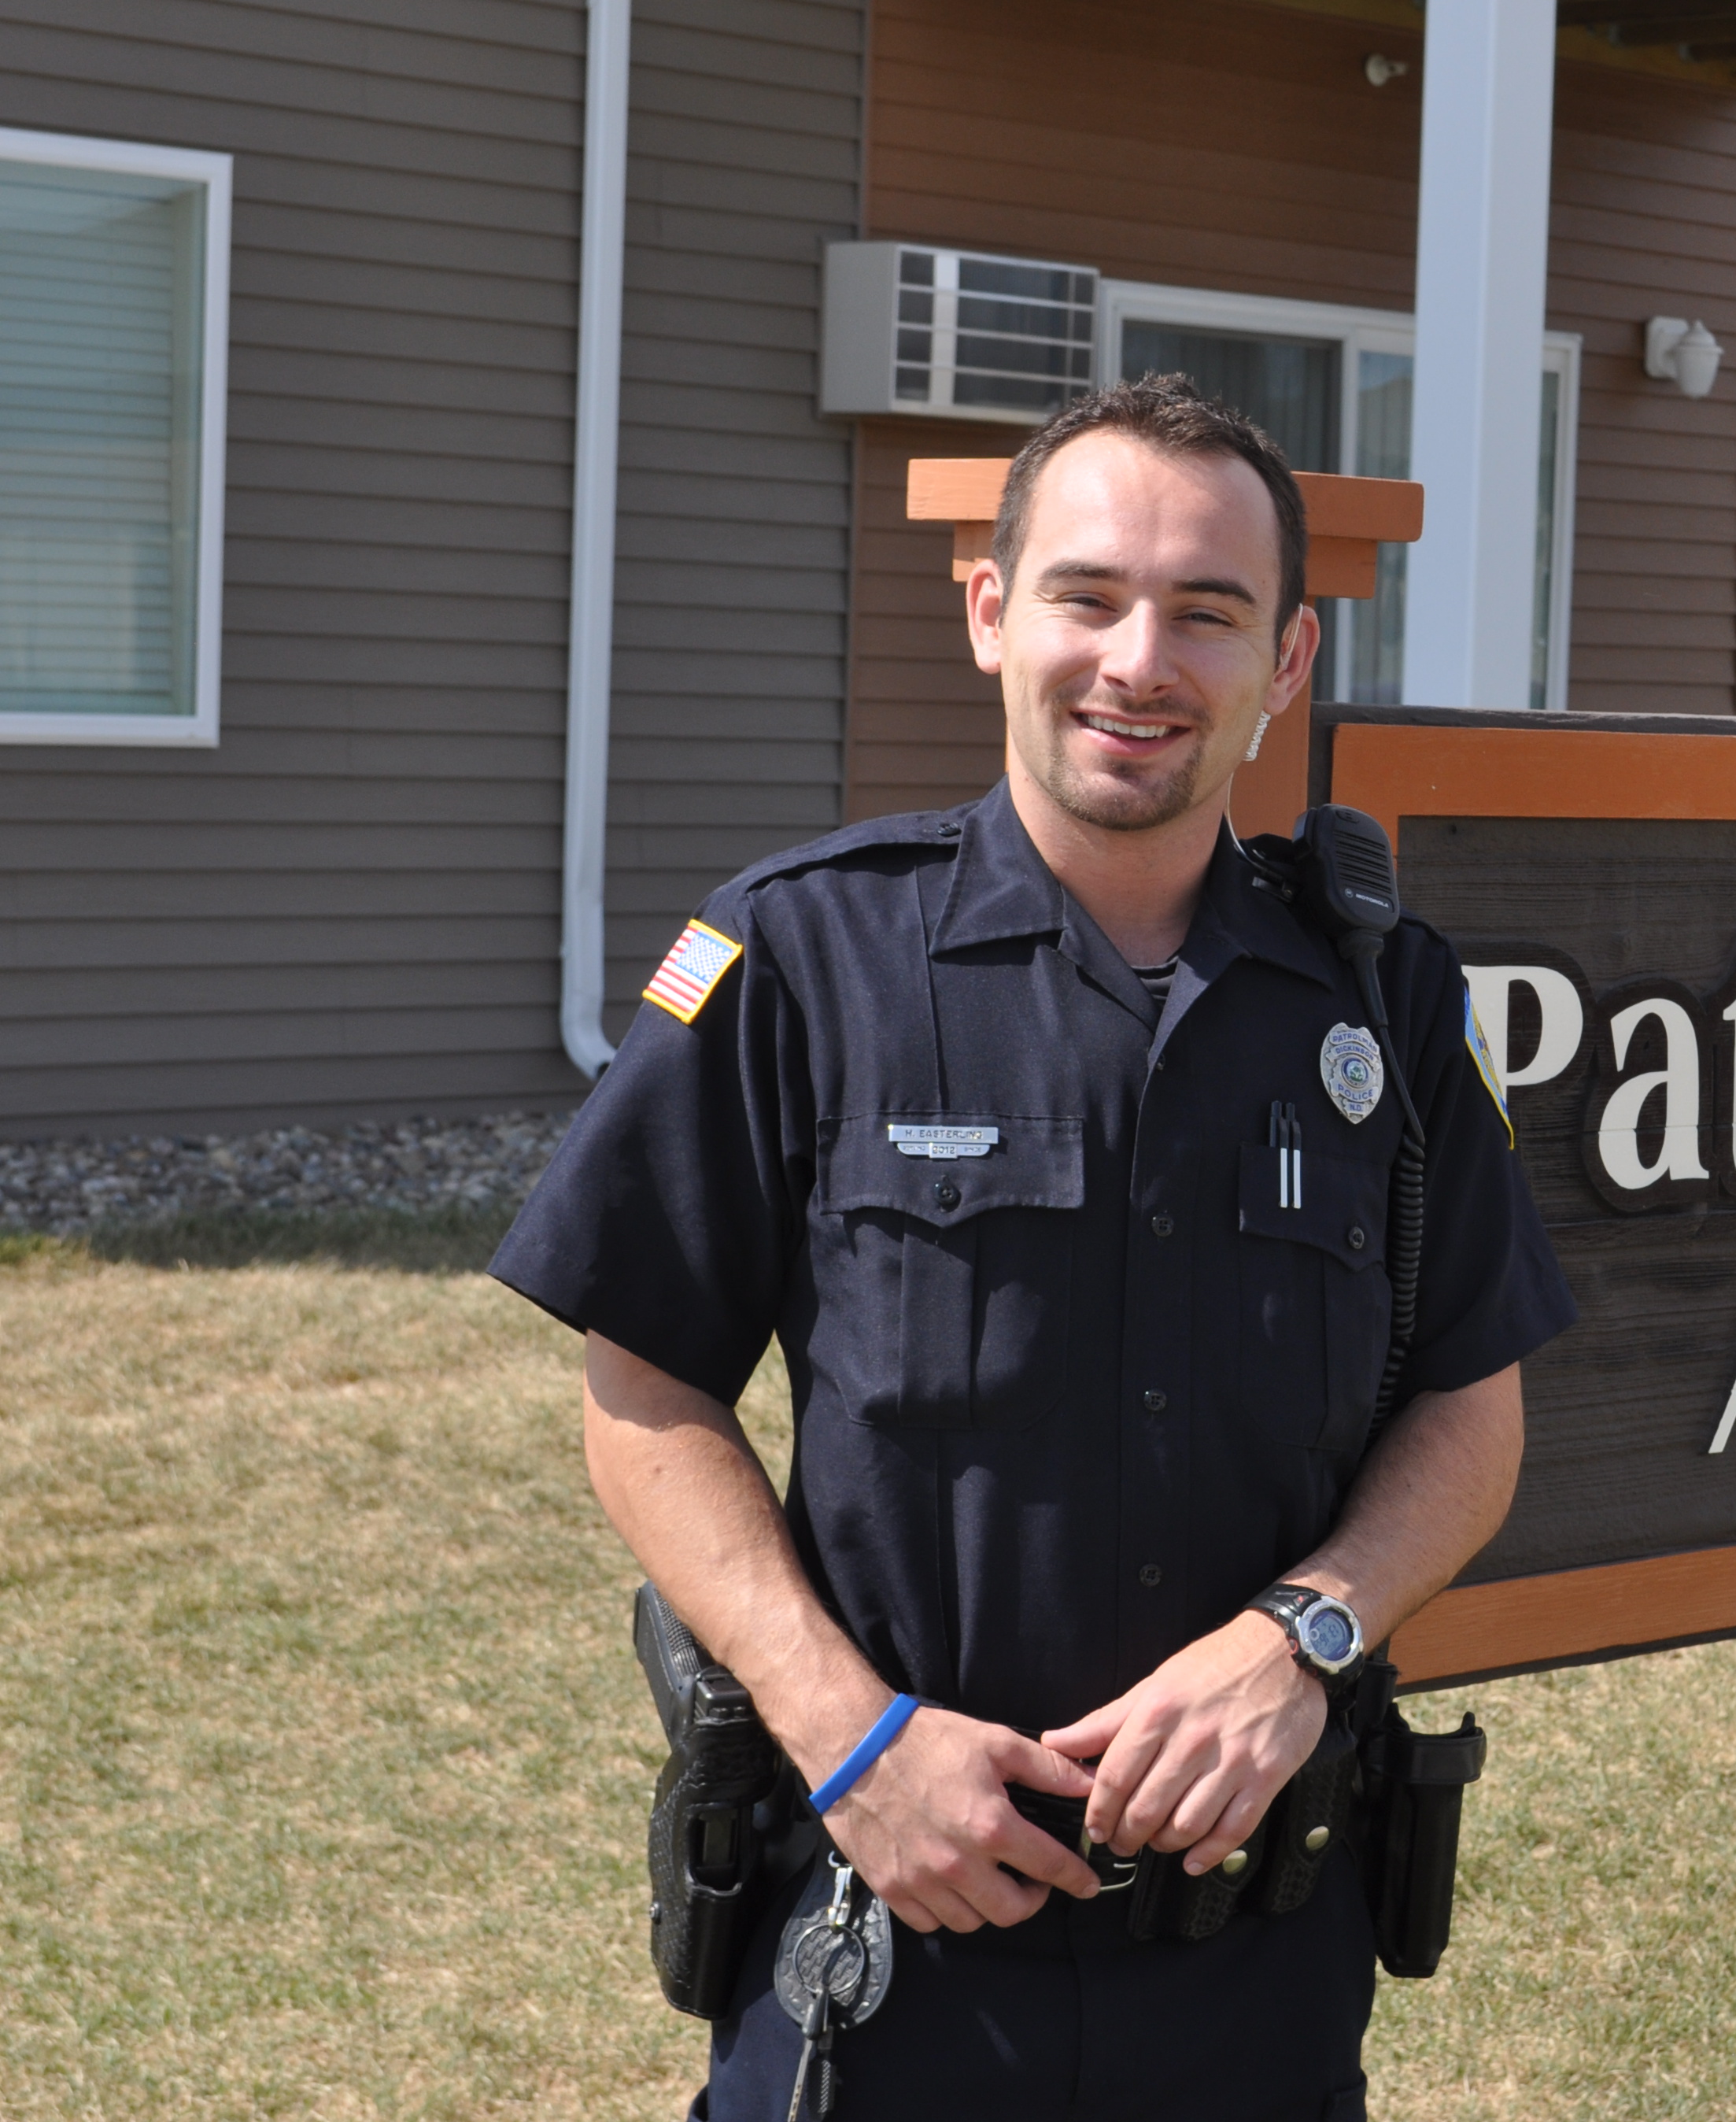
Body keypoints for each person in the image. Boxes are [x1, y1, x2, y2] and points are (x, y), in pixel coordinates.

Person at [492, 375, 1573, 2120]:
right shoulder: (801, 958)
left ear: (1283, 662)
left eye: (1206, 611)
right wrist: (846, 1730)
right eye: (1087, 593)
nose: (1139, 657)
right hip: (885, 1938)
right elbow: (643, 1385)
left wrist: (1303, 1632)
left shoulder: (1385, 999)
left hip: (1258, 1955)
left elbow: (1471, 1398)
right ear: (992, 613)